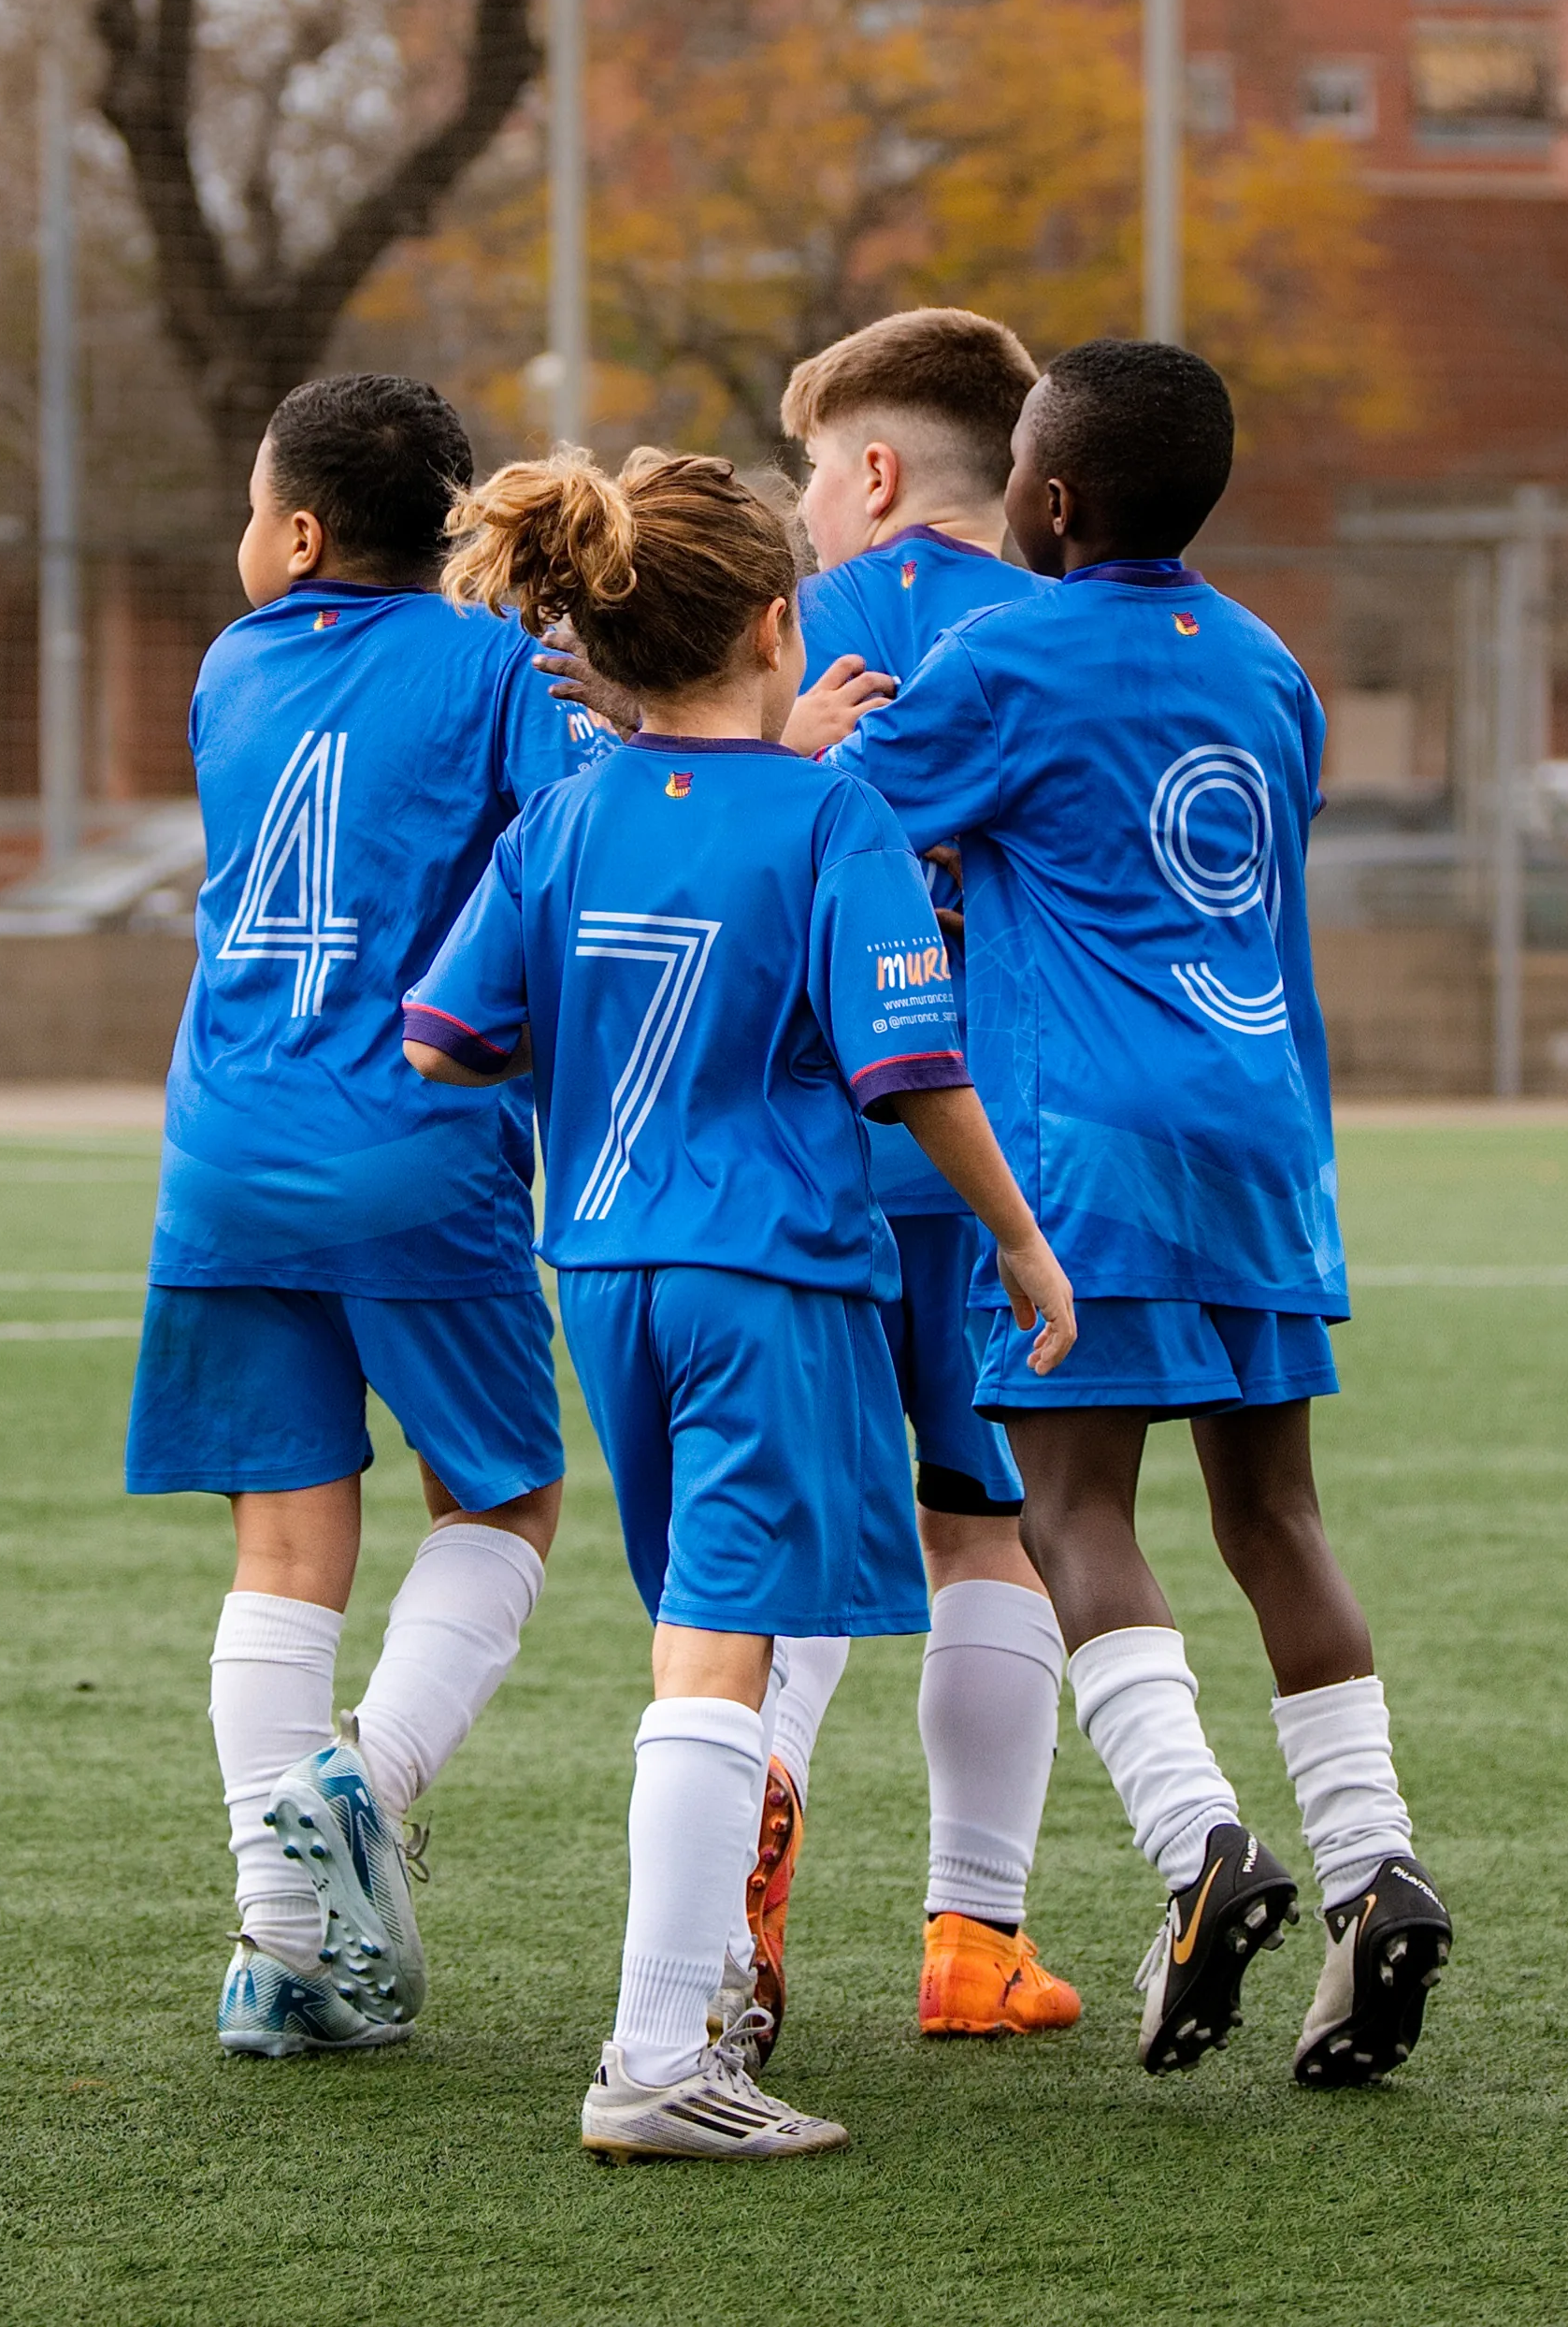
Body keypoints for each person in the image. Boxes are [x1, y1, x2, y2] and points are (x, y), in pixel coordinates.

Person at [404, 446, 1075, 2162]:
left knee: (708, 1627)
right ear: (781, 624)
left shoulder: (563, 813)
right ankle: (655, 2053)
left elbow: (447, 1036)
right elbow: (912, 1064)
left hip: (606, 1271)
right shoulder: (832, 810)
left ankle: (685, 2016)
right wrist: (1013, 1238)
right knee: (723, 1648)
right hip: (765, 1274)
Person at [826, 339, 1453, 2089]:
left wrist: (806, 750)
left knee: (1071, 1515)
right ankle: (1372, 1871)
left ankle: (1195, 1849)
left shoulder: (1001, 653)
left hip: (1083, 1143)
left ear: (1048, 497)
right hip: (1264, 1138)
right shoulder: (1267, 669)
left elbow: (839, 830)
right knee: (1278, 1522)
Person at [123, 372, 606, 2060]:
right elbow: (578, 846)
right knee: (507, 1498)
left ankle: (280, 1958)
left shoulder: (229, 668)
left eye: (254, 505)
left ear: (302, 532)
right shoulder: (499, 669)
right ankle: (369, 1781)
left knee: (281, 1546)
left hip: (226, 1150)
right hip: (416, 1140)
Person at [751, 309, 1079, 2050]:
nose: (802, 506)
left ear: (873, 473)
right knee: (988, 1539)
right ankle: (975, 1936)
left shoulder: (773, 631)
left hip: (800, 1159)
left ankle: (754, 1860)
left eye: (812, 470)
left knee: (783, 1551)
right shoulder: (1070, 631)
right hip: (994, 1170)